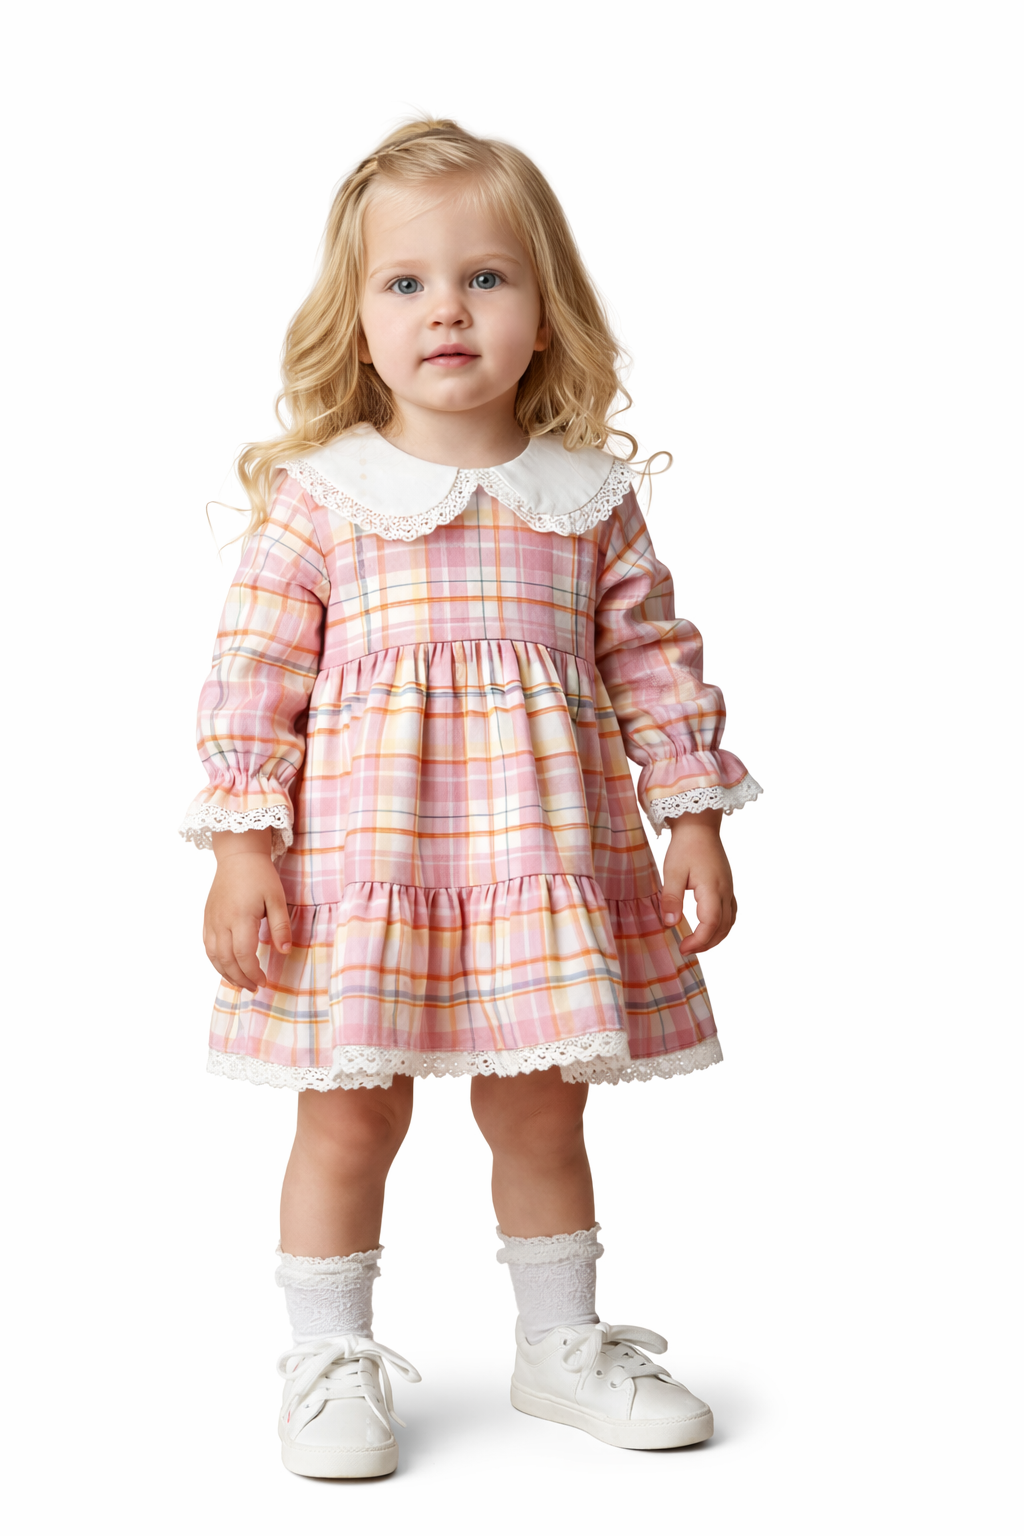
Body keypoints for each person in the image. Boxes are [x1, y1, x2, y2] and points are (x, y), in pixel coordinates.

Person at [182, 118, 761, 1478]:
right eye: (407, 283)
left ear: (545, 314)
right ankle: (328, 1359)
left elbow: (653, 665)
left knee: (542, 1109)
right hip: (364, 874)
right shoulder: (326, 497)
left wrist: (689, 816)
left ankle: (560, 1345)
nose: (447, 309)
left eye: (486, 278)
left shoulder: (586, 500)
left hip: (538, 866)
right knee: (348, 1114)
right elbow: (253, 677)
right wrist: (242, 848)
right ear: (358, 321)